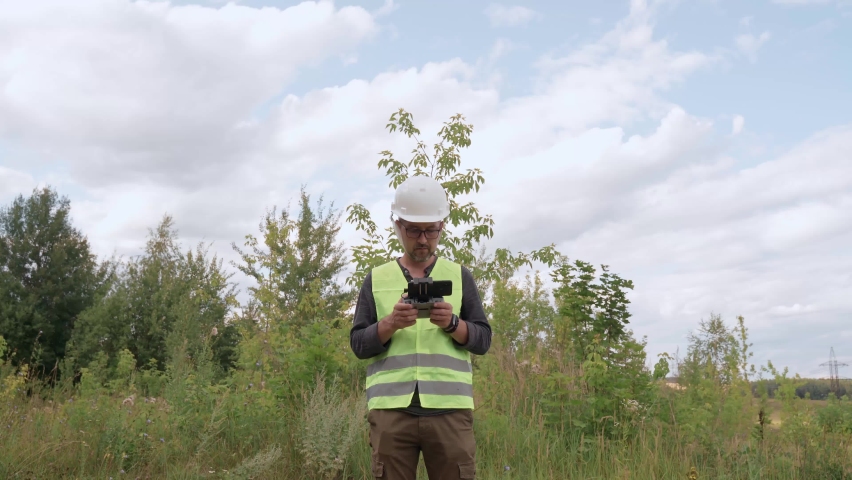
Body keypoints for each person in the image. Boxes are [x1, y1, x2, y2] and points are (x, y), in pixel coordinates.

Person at [350, 175, 492, 479]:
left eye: (432, 230)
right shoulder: (376, 278)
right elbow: (358, 345)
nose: (424, 239)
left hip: (450, 412)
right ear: (398, 226)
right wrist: (390, 324)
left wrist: (453, 324)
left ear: (442, 227)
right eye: (414, 230)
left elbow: (483, 340)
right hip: (391, 414)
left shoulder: (459, 276)